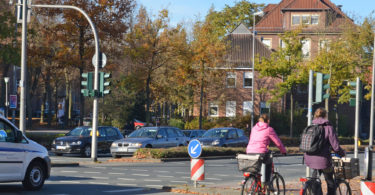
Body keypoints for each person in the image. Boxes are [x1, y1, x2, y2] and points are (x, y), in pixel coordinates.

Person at [304, 108, 345, 195]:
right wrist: (342, 154)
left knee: (314, 179)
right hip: (323, 160)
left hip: (309, 158)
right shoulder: (328, 128)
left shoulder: (310, 127)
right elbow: (336, 147)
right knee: (330, 181)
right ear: (325, 116)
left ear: (315, 116)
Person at [246, 114, 287, 184]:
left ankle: (255, 184)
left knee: (256, 169)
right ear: (268, 121)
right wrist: (283, 151)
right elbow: (277, 142)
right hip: (261, 152)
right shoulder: (269, 129)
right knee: (268, 163)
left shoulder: (254, 128)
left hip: (249, 151)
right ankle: (267, 183)